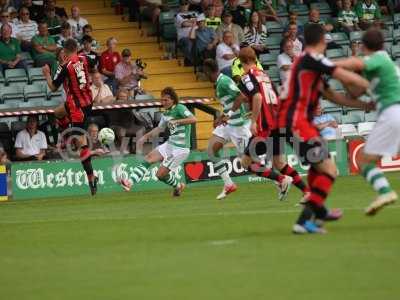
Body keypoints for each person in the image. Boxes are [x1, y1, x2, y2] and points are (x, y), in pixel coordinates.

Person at [278, 24, 371, 234]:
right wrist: (375, 87)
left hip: (301, 122)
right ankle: (308, 218)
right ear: (322, 40)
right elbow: (344, 76)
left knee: (317, 168)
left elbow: (333, 96)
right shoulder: (311, 58)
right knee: (330, 170)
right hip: (297, 121)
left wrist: (363, 105)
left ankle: (315, 213)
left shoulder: (310, 66)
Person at [232, 47, 311, 202]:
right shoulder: (265, 75)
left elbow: (257, 98)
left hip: (265, 127)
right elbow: (274, 98)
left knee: (246, 162)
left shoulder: (247, 77)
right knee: (279, 162)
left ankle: (282, 180)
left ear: (241, 62)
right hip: (278, 122)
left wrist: (254, 120)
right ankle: (307, 191)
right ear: (255, 59)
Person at [335, 28, 400, 215]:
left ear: (363, 46)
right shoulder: (380, 67)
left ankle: (385, 192)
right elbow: (354, 94)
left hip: (393, 112)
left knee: (364, 160)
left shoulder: (378, 58)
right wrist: (342, 77)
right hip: (393, 112)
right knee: (366, 158)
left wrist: (324, 64)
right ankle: (385, 192)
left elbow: (354, 62)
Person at [42, 38, 101, 196]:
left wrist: (47, 74)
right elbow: (96, 59)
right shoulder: (85, 58)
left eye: (63, 53)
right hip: (87, 101)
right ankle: (65, 139)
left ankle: (91, 178)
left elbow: (53, 87)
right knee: (58, 113)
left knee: (81, 144)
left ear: (66, 51)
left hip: (77, 107)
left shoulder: (65, 67)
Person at [119, 87, 197, 197]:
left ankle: (178, 186)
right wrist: (144, 137)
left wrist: (177, 121)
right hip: (170, 144)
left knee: (160, 175)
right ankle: (129, 183)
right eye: (162, 100)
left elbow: (193, 119)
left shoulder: (180, 108)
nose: (163, 102)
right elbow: (159, 129)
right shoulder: (166, 114)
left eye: (166, 100)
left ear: (173, 100)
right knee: (148, 158)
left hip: (181, 149)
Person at [203, 58, 251, 199]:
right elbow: (229, 103)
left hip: (238, 126)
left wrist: (228, 115)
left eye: (205, 73)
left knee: (248, 163)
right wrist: (221, 117)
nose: (205, 76)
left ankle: (279, 180)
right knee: (211, 150)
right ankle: (229, 184)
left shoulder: (224, 81)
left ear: (208, 71)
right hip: (227, 125)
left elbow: (241, 97)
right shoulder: (219, 83)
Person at [175, 0, 197, 66]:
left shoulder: (194, 13)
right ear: (179, 5)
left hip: (195, 36)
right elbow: (184, 24)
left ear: (188, 5)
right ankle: (192, 62)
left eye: (186, 3)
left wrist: (189, 21)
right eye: (182, 4)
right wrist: (193, 22)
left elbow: (199, 22)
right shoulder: (177, 15)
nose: (184, 5)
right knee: (188, 42)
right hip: (183, 38)